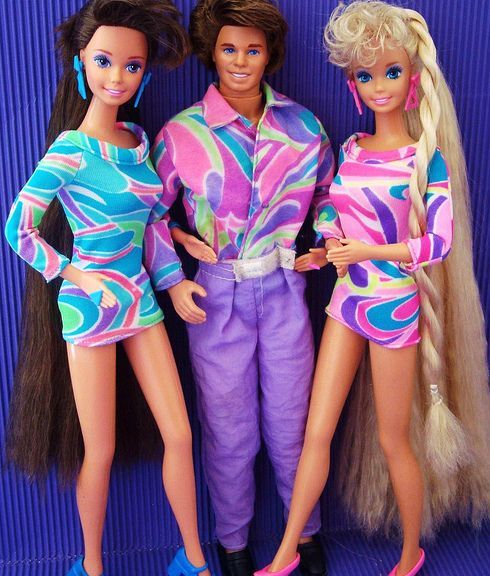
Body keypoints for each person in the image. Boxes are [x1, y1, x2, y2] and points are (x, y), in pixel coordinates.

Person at [255, 2, 490, 576]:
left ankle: (410, 553)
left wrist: (366, 253)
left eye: (391, 71)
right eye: (365, 74)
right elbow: (336, 214)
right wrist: (327, 247)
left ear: (413, 79)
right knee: (316, 431)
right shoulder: (353, 148)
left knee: (393, 439)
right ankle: (287, 550)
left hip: (393, 306)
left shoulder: (426, 160)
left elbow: (437, 243)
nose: (378, 85)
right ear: (352, 84)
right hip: (346, 301)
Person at [4, 2, 210, 575]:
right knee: (100, 449)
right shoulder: (71, 149)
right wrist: (75, 274)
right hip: (91, 308)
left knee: (179, 434)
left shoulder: (138, 143)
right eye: (104, 61)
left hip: (140, 301)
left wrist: (174, 283)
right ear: (81, 64)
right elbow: (17, 228)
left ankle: (192, 558)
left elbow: (151, 227)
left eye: (132, 66)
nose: (117, 77)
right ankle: (91, 565)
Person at [151, 1, 335, 575]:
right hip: (215, 294)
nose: (239, 61)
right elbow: (149, 214)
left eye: (253, 49)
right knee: (228, 431)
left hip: (284, 288)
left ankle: (304, 532)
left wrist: (326, 242)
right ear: (212, 51)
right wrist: (173, 278)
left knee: (292, 422)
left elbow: (328, 196)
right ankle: (232, 542)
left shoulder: (303, 127)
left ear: (269, 54)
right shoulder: (181, 133)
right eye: (229, 48)